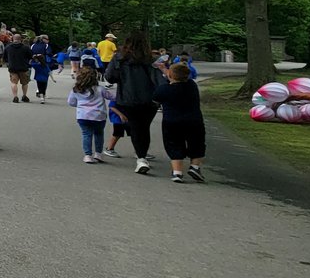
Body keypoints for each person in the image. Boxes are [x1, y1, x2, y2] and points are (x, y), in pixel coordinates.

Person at [105, 29, 164, 174]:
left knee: (136, 127)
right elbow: (159, 81)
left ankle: (141, 158)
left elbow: (110, 77)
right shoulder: (152, 59)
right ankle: (141, 155)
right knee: (144, 127)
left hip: (127, 99)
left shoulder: (119, 58)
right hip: (149, 100)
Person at [154, 61, 206, 182]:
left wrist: (164, 72)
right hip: (194, 120)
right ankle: (195, 167)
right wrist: (165, 70)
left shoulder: (164, 89)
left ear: (170, 75)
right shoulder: (192, 86)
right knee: (197, 142)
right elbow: (178, 77)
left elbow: (156, 99)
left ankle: (177, 172)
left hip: (172, 121)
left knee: (174, 144)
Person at [67, 64, 117, 163]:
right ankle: (98, 154)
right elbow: (112, 97)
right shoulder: (100, 89)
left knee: (86, 134)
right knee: (99, 134)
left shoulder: (76, 90)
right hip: (99, 116)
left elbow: (71, 102)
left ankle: (88, 155)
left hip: (83, 116)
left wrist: (80, 106)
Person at [3, 33, 32, 103]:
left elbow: (4, 58)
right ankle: (24, 96)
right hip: (23, 67)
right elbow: (30, 56)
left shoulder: (8, 47)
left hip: (12, 68)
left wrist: (8, 63)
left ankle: (15, 97)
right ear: (20, 39)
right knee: (25, 83)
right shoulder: (25, 48)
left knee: (14, 83)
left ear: (13, 39)